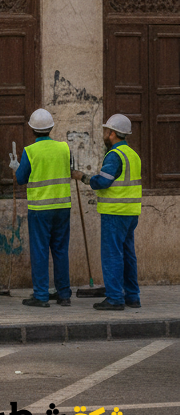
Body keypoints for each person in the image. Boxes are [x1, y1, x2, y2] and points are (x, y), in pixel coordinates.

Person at [72, 113, 141, 311]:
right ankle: (132, 296)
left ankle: (114, 298)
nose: (104, 134)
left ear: (112, 133)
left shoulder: (114, 155)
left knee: (112, 255)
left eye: (106, 131)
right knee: (128, 254)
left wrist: (84, 177)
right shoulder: (133, 154)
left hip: (115, 212)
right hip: (130, 212)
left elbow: (103, 181)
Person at [15, 108, 73, 307]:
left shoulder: (30, 151)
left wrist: (16, 168)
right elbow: (69, 168)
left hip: (40, 209)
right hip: (63, 207)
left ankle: (41, 295)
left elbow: (21, 178)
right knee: (60, 250)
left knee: (40, 251)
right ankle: (64, 294)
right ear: (51, 128)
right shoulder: (64, 148)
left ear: (32, 130)